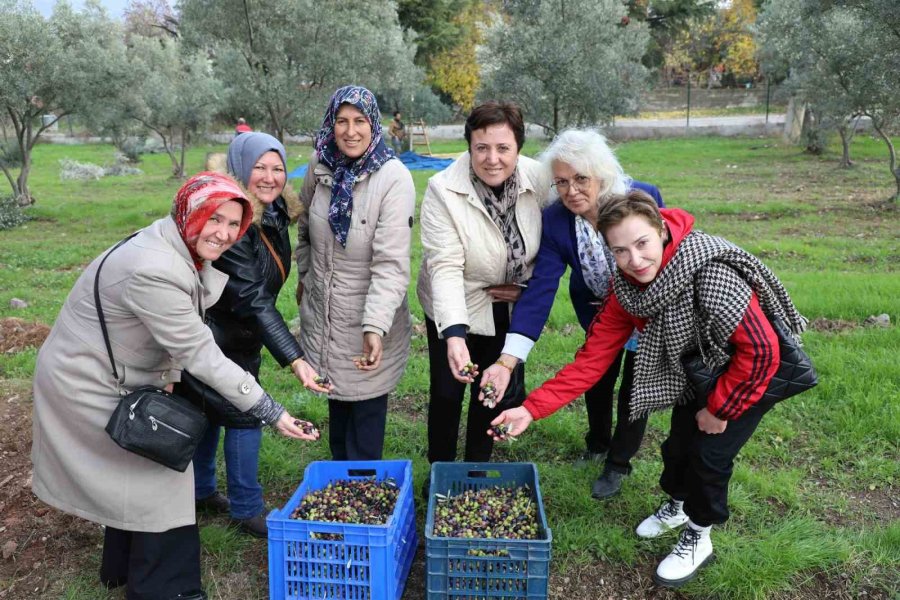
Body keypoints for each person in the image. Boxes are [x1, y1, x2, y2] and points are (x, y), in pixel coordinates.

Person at [491, 190, 807, 587]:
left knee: (709, 457)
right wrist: (530, 409)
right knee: (677, 447)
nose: (634, 260)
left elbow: (762, 351)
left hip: (748, 377)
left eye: (641, 244)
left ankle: (699, 533)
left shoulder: (710, 272)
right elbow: (590, 362)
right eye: (620, 251)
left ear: (660, 230)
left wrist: (720, 410)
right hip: (697, 371)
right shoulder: (627, 289)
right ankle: (676, 505)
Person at [31, 172, 318, 600]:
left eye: (233, 224)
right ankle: (165, 590)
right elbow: (201, 355)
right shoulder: (155, 269)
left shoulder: (172, 240)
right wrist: (271, 411)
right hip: (85, 379)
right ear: (192, 210)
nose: (223, 234)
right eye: (214, 218)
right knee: (161, 475)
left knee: (129, 473)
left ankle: (121, 568)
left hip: (108, 369)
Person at [479, 128, 664, 500]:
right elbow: (542, 289)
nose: (571, 191)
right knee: (596, 381)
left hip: (648, 312)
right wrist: (508, 359)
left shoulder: (640, 195)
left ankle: (618, 463)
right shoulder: (557, 220)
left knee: (635, 390)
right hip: (598, 313)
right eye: (561, 182)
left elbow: (660, 254)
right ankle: (597, 444)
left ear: (602, 175)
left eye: (581, 179)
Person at [176, 133, 330, 539]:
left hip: (240, 332)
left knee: (212, 411)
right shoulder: (234, 219)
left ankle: (201, 490)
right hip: (215, 334)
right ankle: (246, 508)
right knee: (245, 416)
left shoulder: (275, 212)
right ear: (240, 168)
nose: (270, 176)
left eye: (277, 167)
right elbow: (252, 297)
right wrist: (296, 359)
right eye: (259, 166)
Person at [417, 101, 549, 473]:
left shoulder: (539, 180)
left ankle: (476, 467)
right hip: (454, 303)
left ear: (518, 148)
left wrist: (527, 287)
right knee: (446, 391)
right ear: (469, 146)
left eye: (503, 148)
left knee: (490, 391)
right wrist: (454, 336)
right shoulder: (442, 189)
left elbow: (553, 247)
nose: (492, 158)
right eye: (482, 147)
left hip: (507, 305)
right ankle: (440, 469)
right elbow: (444, 267)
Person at [295, 85, 415, 461]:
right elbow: (303, 231)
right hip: (325, 312)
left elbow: (391, 265)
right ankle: (341, 486)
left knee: (364, 417)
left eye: (359, 121)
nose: (350, 131)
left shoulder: (393, 178)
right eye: (342, 121)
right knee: (337, 406)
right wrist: (304, 278)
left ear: (373, 124)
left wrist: (374, 326)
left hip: (368, 315)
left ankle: (365, 497)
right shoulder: (320, 165)